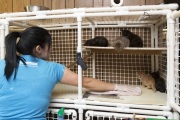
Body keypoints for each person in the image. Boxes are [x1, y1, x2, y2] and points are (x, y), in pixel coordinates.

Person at [0, 26, 141, 119]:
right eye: (49, 47)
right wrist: (119, 87)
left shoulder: (2, 65)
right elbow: (87, 82)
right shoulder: (52, 69)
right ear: (38, 48)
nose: (50, 50)